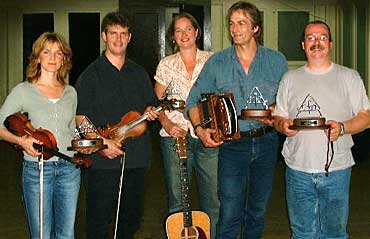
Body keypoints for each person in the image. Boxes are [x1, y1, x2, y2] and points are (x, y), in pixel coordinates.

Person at [184, 1, 288, 238]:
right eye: (231, 23)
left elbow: (289, 100)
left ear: (255, 28)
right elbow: (193, 102)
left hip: (267, 143)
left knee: (257, 211)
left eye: (241, 23)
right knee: (229, 211)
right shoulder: (218, 62)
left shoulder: (277, 61)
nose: (235, 28)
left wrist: (277, 109)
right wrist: (200, 130)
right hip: (232, 145)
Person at [273, 20, 370, 238]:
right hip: (298, 170)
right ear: (303, 44)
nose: (316, 42)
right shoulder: (289, 78)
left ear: (331, 44)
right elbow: (279, 116)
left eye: (322, 37)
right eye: (310, 38)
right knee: (302, 233)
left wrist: (343, 128)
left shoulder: (349, 77)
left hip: (337, 170)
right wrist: (284, 126)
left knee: (334, 233)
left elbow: (366, 117)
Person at [74, 11, 159, 239]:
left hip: (136, 160)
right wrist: (103, 143)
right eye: (113, 33)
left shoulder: (139, 73)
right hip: (101, 162)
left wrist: (151, 113)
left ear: (129, 37)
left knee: (130, 222)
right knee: (99, 223)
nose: (118, 39)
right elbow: (80, 117)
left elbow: (150, 107)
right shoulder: (90, 75)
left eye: (123, 34)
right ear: (104, 36)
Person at [0, 32, 79, 238]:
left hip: (69, 169)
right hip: (37, 169)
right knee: (41, 234)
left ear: (64, 59)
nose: (52, 58)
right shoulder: (24, 90)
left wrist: (84, 145)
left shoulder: (71, 92)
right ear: (37, 57)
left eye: (58, 53)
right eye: (47, 52)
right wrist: (20, 140)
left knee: (66, 235)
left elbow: (71, 130)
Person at [154, 12, 219, 238]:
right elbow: (157, 104)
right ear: (173, 36)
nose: (184, 34)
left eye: (188, 29)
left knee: (212, 197)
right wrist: (167, 123)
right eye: (178, 30)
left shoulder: (212, 60)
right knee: (178, 199)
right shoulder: (166, 64)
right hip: (175, 136)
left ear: (197, 32)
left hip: (208, 137)